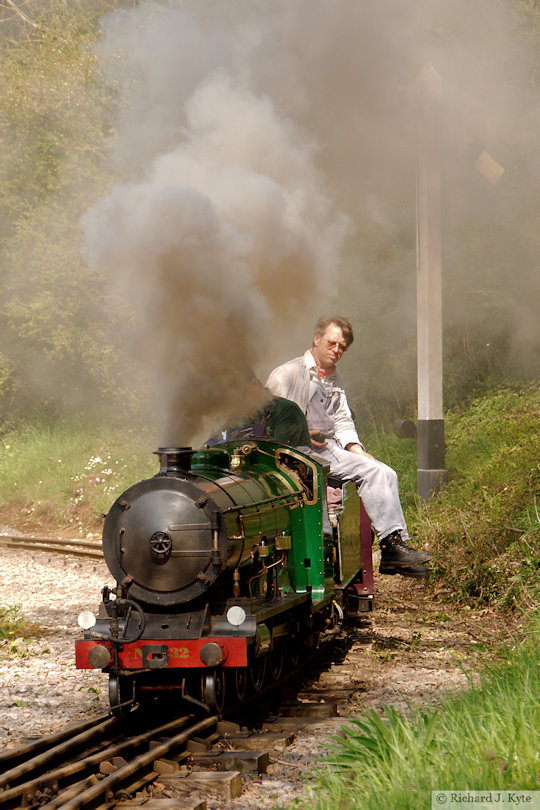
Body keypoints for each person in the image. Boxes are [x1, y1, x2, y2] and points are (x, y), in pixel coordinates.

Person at [266, 315, 431, 576]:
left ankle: (391, 547)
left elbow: (342, 418)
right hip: (292, 454)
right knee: (315, 502)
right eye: (332, 344)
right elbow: (270, 421)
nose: (337, 351)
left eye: (342, 348)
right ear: (317, 339)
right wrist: (304, 434)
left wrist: (356, 448)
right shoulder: (286, 374)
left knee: (381, 471)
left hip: (325, 450)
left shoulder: (335, 378)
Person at [205, 371, 312, 449]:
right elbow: (214, 444)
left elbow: (278, 457)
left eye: (238, 398)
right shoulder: (236, 417)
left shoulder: (286, 411)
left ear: (255, 385)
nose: (235, 406)